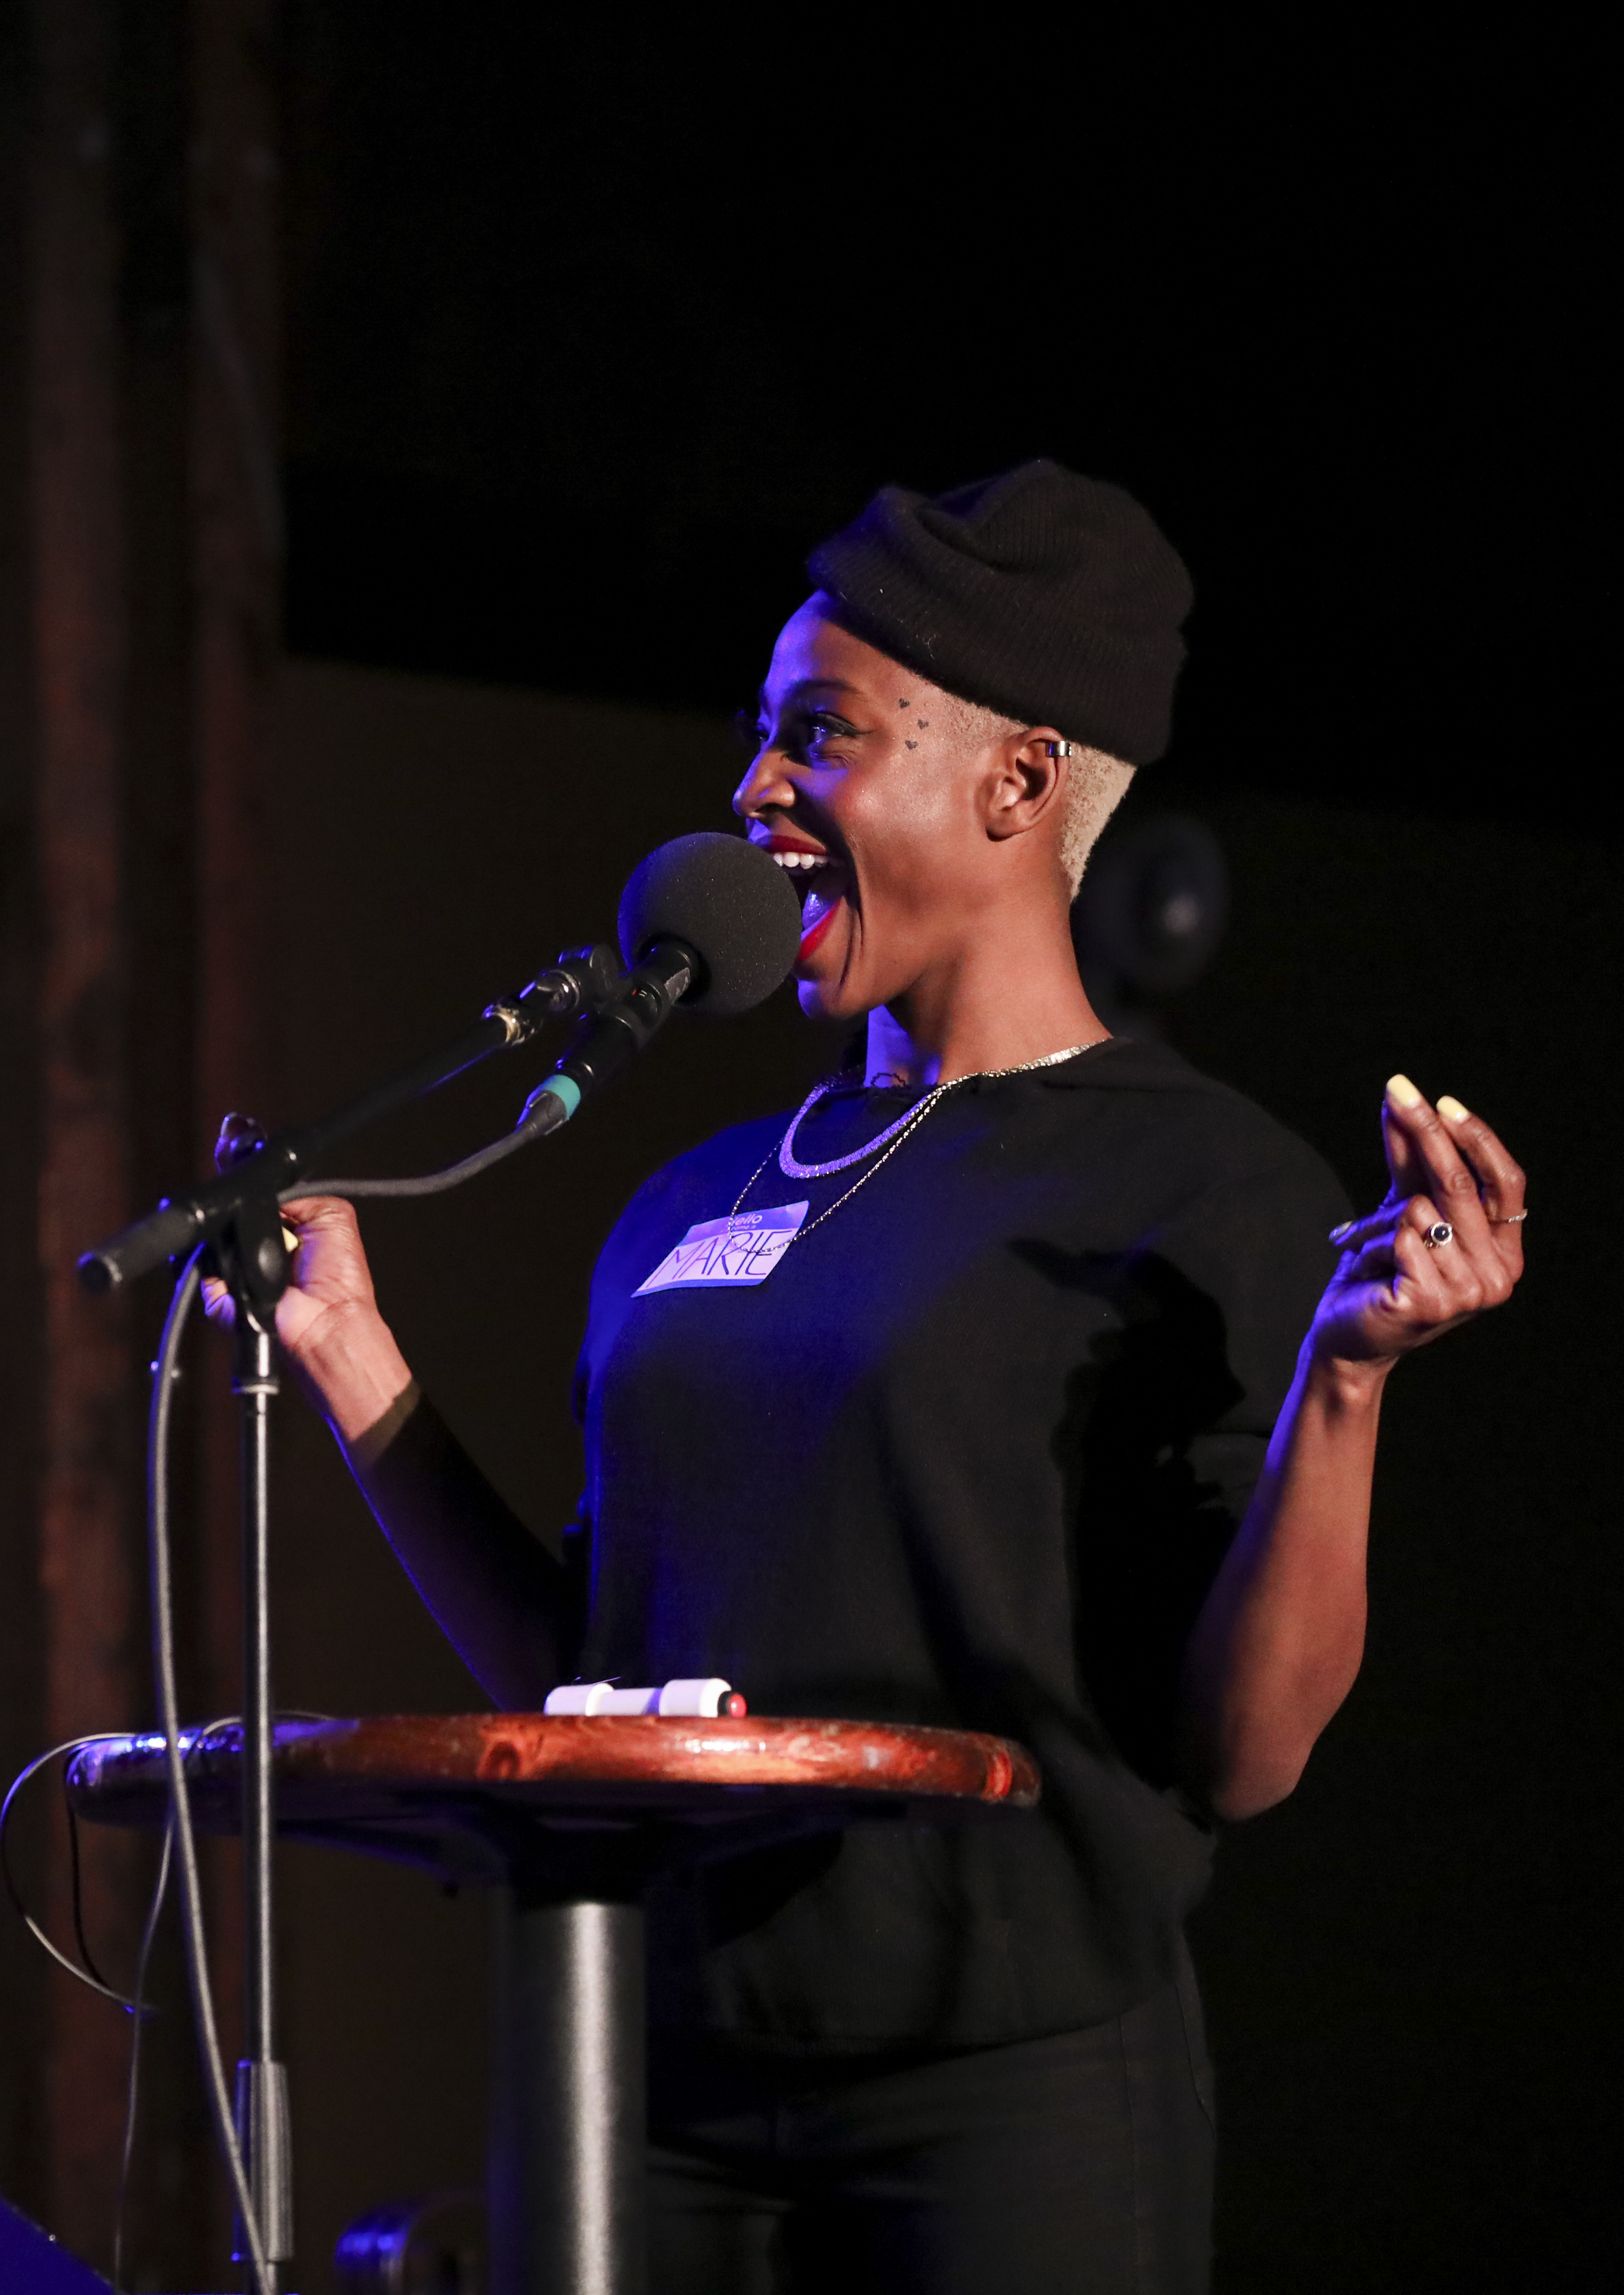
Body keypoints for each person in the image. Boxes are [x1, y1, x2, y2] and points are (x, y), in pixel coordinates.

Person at [243, 463, 1527, 2292]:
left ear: (1018, 781)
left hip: (1001, 2097)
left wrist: (1348, 1383)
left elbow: (1243, 1754)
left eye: (819, 736)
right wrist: (356, 1364)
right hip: (645, 2077)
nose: (755, 789)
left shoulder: (1201, 1186)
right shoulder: (688, 1203)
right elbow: (584, 1688)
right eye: (762, 737)